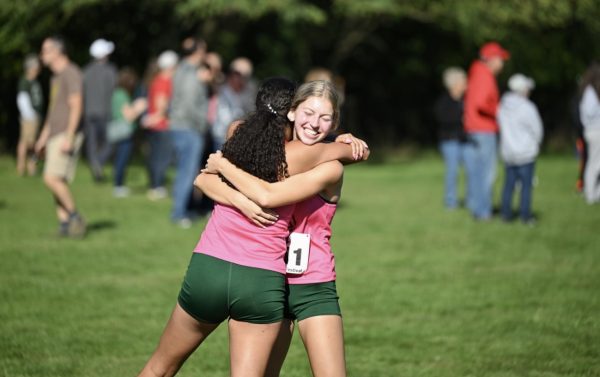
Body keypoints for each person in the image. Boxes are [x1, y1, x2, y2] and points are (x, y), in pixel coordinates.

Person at [137, 78, 365, 377]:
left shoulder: (321, 160)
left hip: (309, 282)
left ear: (334, 122)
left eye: (325, 118)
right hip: (268, 279)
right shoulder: (293, 151)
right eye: (309, 113)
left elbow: (232, 184)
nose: (315, 123)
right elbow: (208, 180)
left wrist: (223, 166)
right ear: (292, 112)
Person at [35, 35, 86, 238]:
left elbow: (76, 104)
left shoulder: (70, 72)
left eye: (45, 50)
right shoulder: (55, 77)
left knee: (51, 178)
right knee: (57, 180)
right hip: (55, 133)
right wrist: (42, 137)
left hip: (66, 133)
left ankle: (75, 216)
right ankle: (64, 224)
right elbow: (53, 110)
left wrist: (70, 137)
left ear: (57, 51)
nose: (42, 55)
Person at [463, 41, 510, 220]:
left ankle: (478, 208)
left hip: (474, 129)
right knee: (487, 173)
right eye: (500, 59)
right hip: (484, 130)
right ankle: (483, 212)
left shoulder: (475, 72)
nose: (502, 64)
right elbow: (482, 103)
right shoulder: (485, 75)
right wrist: (498, 110)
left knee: (477, 172)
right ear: (491, 59)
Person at [168, 37, 211, 227]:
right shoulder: (190, 74)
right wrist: (202, 126)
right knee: (186, 171)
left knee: (185, 170)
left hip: (182, 125)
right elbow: (189, 104)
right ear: (198, 52)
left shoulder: (181, 70)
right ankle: (179, 213)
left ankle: (183, 209)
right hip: (189, 127)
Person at [498, 74, 543, 224]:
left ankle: (506, 214)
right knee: (526, 187)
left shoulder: (502, 106)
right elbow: (537, 129)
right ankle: (525, 216)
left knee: (508, 186)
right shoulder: (527, 107)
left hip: (508, 153)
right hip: (526, 153)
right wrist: (536, 144)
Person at [143, 50, 178, 200]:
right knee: (161, 159)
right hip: (162, 126)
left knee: (154, 157)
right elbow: (161, 107)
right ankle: (157, 186)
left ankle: (154, 185)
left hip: (155, 126)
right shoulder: (164, 82)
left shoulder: (156, 80)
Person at [82, 38, 118, 182]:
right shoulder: (111, 71)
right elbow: (114, 91)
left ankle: (95, 163)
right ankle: (100, 162)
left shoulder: (85, 71)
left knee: (92, 143)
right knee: (110, 142)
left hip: (89, 112)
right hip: (106, 112)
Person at [110, 68, 148, 197]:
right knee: (122, 159)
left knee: (120, 158)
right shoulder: (122, 94)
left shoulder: (117, 93)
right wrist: (139, 107)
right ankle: (118, 185)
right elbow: (129, 116)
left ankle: (119, 184)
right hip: (124, 132)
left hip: (122, 131)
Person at [434, 67, 467, 209]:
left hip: (465, 141)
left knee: (472, 171)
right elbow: (442, 119)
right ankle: (451, 202)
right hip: (449, 141)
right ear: (454, 84)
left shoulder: (466, 100)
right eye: (463, 81)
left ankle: (472, 200)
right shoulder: (444, 102)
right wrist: (462, 118)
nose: (466, 84)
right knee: (453, 172)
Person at [16, 54, 44, 176]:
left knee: (33, 142)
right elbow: (22, 100)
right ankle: (22, 167)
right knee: (27, 143)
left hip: (35, 116)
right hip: (29, 117)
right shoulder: (24, 82)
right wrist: (30, 115)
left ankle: (32, 167)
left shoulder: (34, 81)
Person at [578, 62, 600, 204]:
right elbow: (589, 112)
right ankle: (590, 193)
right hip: (594, 130)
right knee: (594, 163)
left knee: (596, 162)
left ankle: (595, 192)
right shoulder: (590, 93)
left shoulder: (591, 92)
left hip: (594, 130)